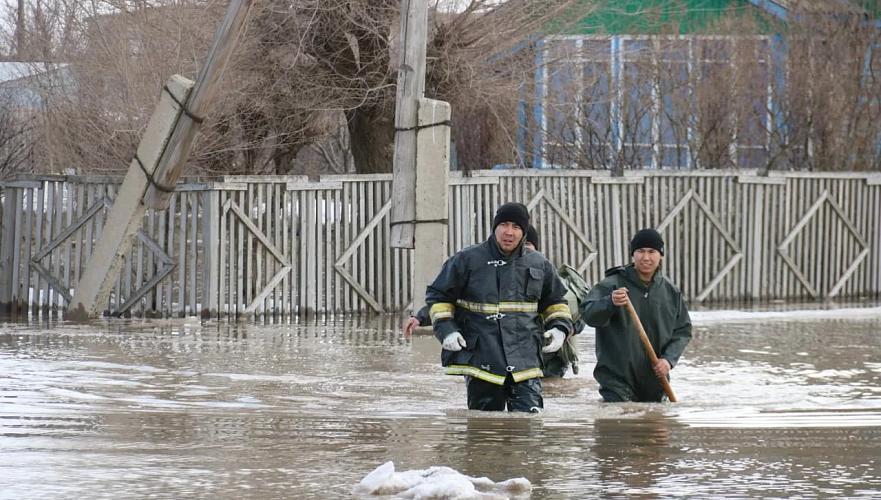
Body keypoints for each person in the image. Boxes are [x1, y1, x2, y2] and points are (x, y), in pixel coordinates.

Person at [425, 202, 574, 412]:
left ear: (523, 232)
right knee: (484, 429)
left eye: (516, 227)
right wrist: (447, 331)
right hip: (482, 359)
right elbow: (438, 296)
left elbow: (556, 302)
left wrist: (560, 328)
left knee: (529, 426)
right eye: (504, 224)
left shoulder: (539, 263)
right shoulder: (466, 259)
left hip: (526, 360)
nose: (509, 232)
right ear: (494, 227)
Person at [580, 228, 692, 402]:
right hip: (616, 383)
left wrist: (668, 361)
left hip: (656, 382)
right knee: (620, 424)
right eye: (640, 251)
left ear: (660, 256)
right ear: (633, 255)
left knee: (654, 423)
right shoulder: (612, 285)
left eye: (652, 252)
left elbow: (683, 331)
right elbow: (587, 315)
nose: (646, 257)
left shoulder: (671, 292)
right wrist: (609, 302)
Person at [523, 225, 586, 379]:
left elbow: (581, 315)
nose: (525, 249)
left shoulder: (551, 279)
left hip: (552, 358)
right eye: (522, 245)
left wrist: (564, 330)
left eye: (528, 244)